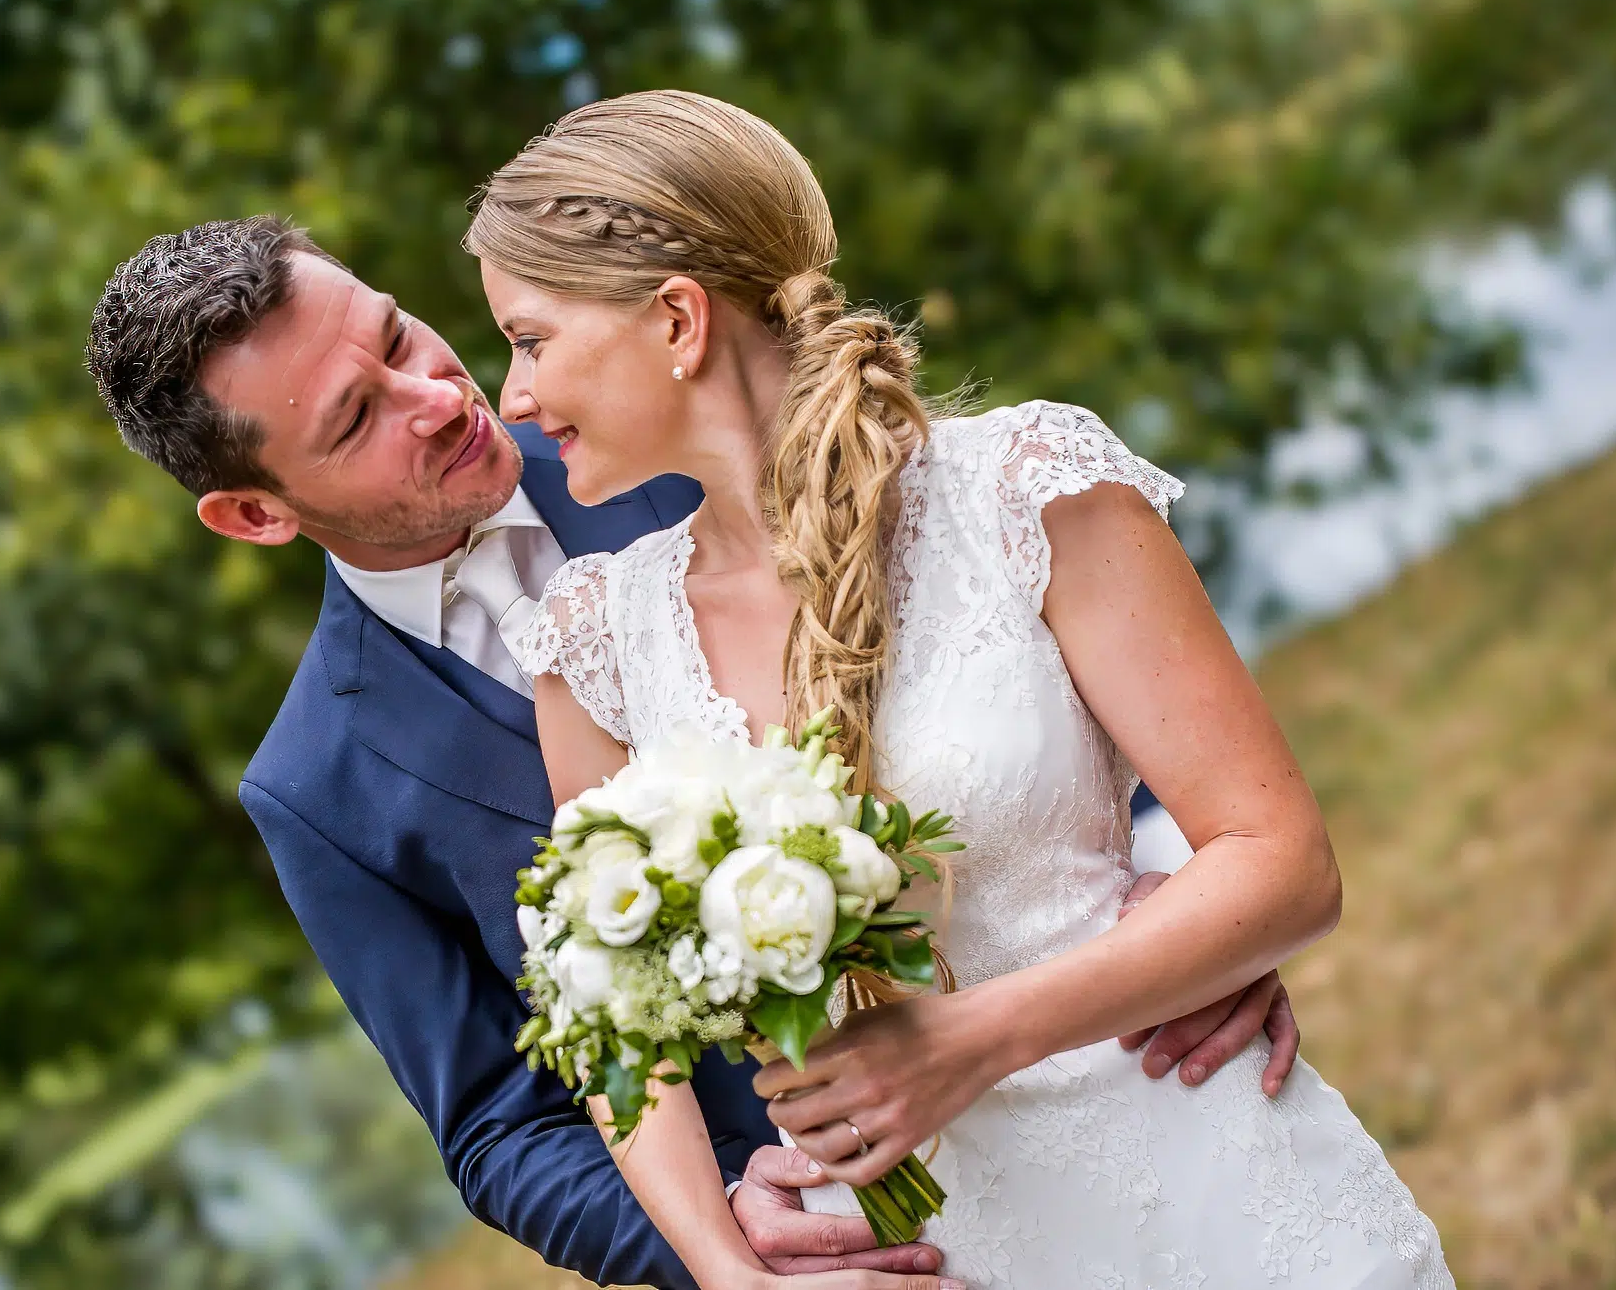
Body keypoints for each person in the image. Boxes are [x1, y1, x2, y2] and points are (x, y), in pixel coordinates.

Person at [84, 215, 1301, 1290]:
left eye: (398, 337)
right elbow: (495, 1127)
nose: (442, 396)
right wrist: (722, 1241)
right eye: (357, 418)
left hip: (1134, 1087)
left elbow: (1008, 646)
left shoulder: (685, 425)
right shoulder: (315, 789)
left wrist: (1187, 916)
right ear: (255, 513)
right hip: (847, 1240)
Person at [471, 91, 1452, 1289]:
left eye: (528, 340)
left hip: (1211, 1196)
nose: (511, 397)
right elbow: (623, 1033)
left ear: (677, 319)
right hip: (922, 1257)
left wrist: (969, 1039)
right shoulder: (591, 645)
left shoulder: (1026, 491)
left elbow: (1282, 862)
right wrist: (728, 1274)